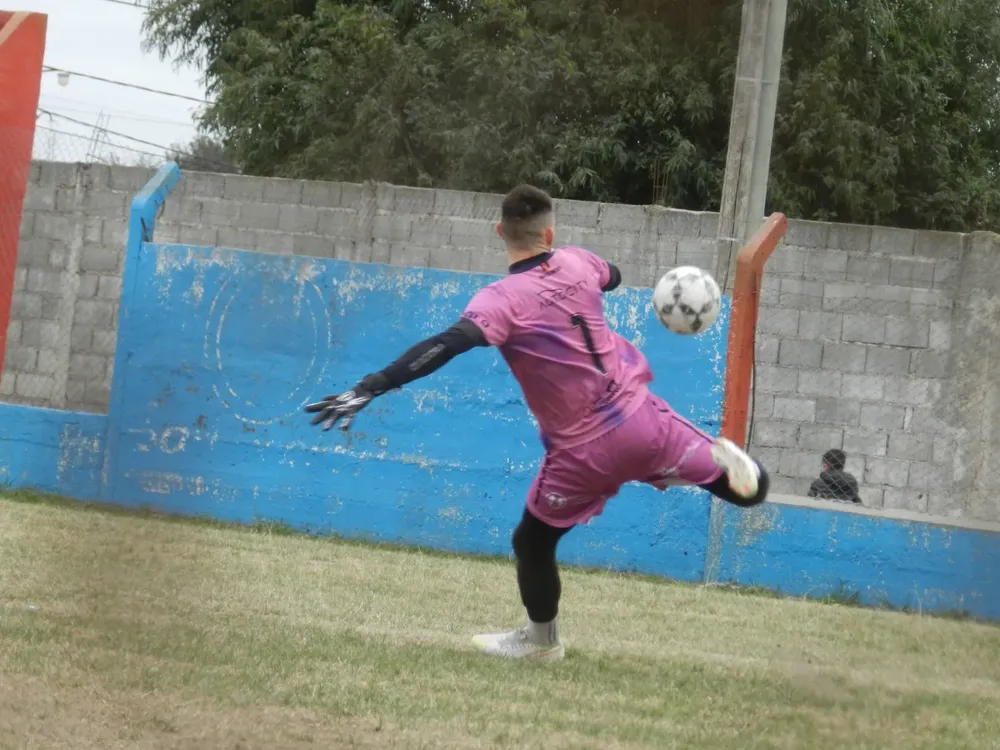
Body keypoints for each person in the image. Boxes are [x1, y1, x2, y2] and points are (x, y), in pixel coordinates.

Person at [306, 184, 770, 661]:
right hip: (641, 419)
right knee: (746, 491)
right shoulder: (577, 261)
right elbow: (613, 275)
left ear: (499, 231)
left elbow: (446, 344)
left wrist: (371, 385)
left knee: (533, 540)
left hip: (582, 450)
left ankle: (541, 642)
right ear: (550, 231)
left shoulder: (501, 300)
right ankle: (748, 480)